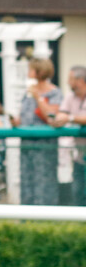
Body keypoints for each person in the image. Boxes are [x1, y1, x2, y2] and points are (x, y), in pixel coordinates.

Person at [11, 58, 62, 206]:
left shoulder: (54, 92)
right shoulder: (26, 94)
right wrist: (15, 121)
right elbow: (23, 116)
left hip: (45, 145)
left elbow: (52, 117)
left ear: (38, 72)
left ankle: (46, 218)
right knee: (27, 180)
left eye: (30, 69)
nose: (27, 73)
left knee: (44, 180)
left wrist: (38, 97)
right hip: (26, 144)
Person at [52, 65, 86, 205]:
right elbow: (62, 113)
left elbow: (69, 117)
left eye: (70, 79)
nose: (68, 82)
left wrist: (70, 118)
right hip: (79, 155)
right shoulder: (70, 97)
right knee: (78, 193)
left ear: (79, 80)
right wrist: (57, 119)